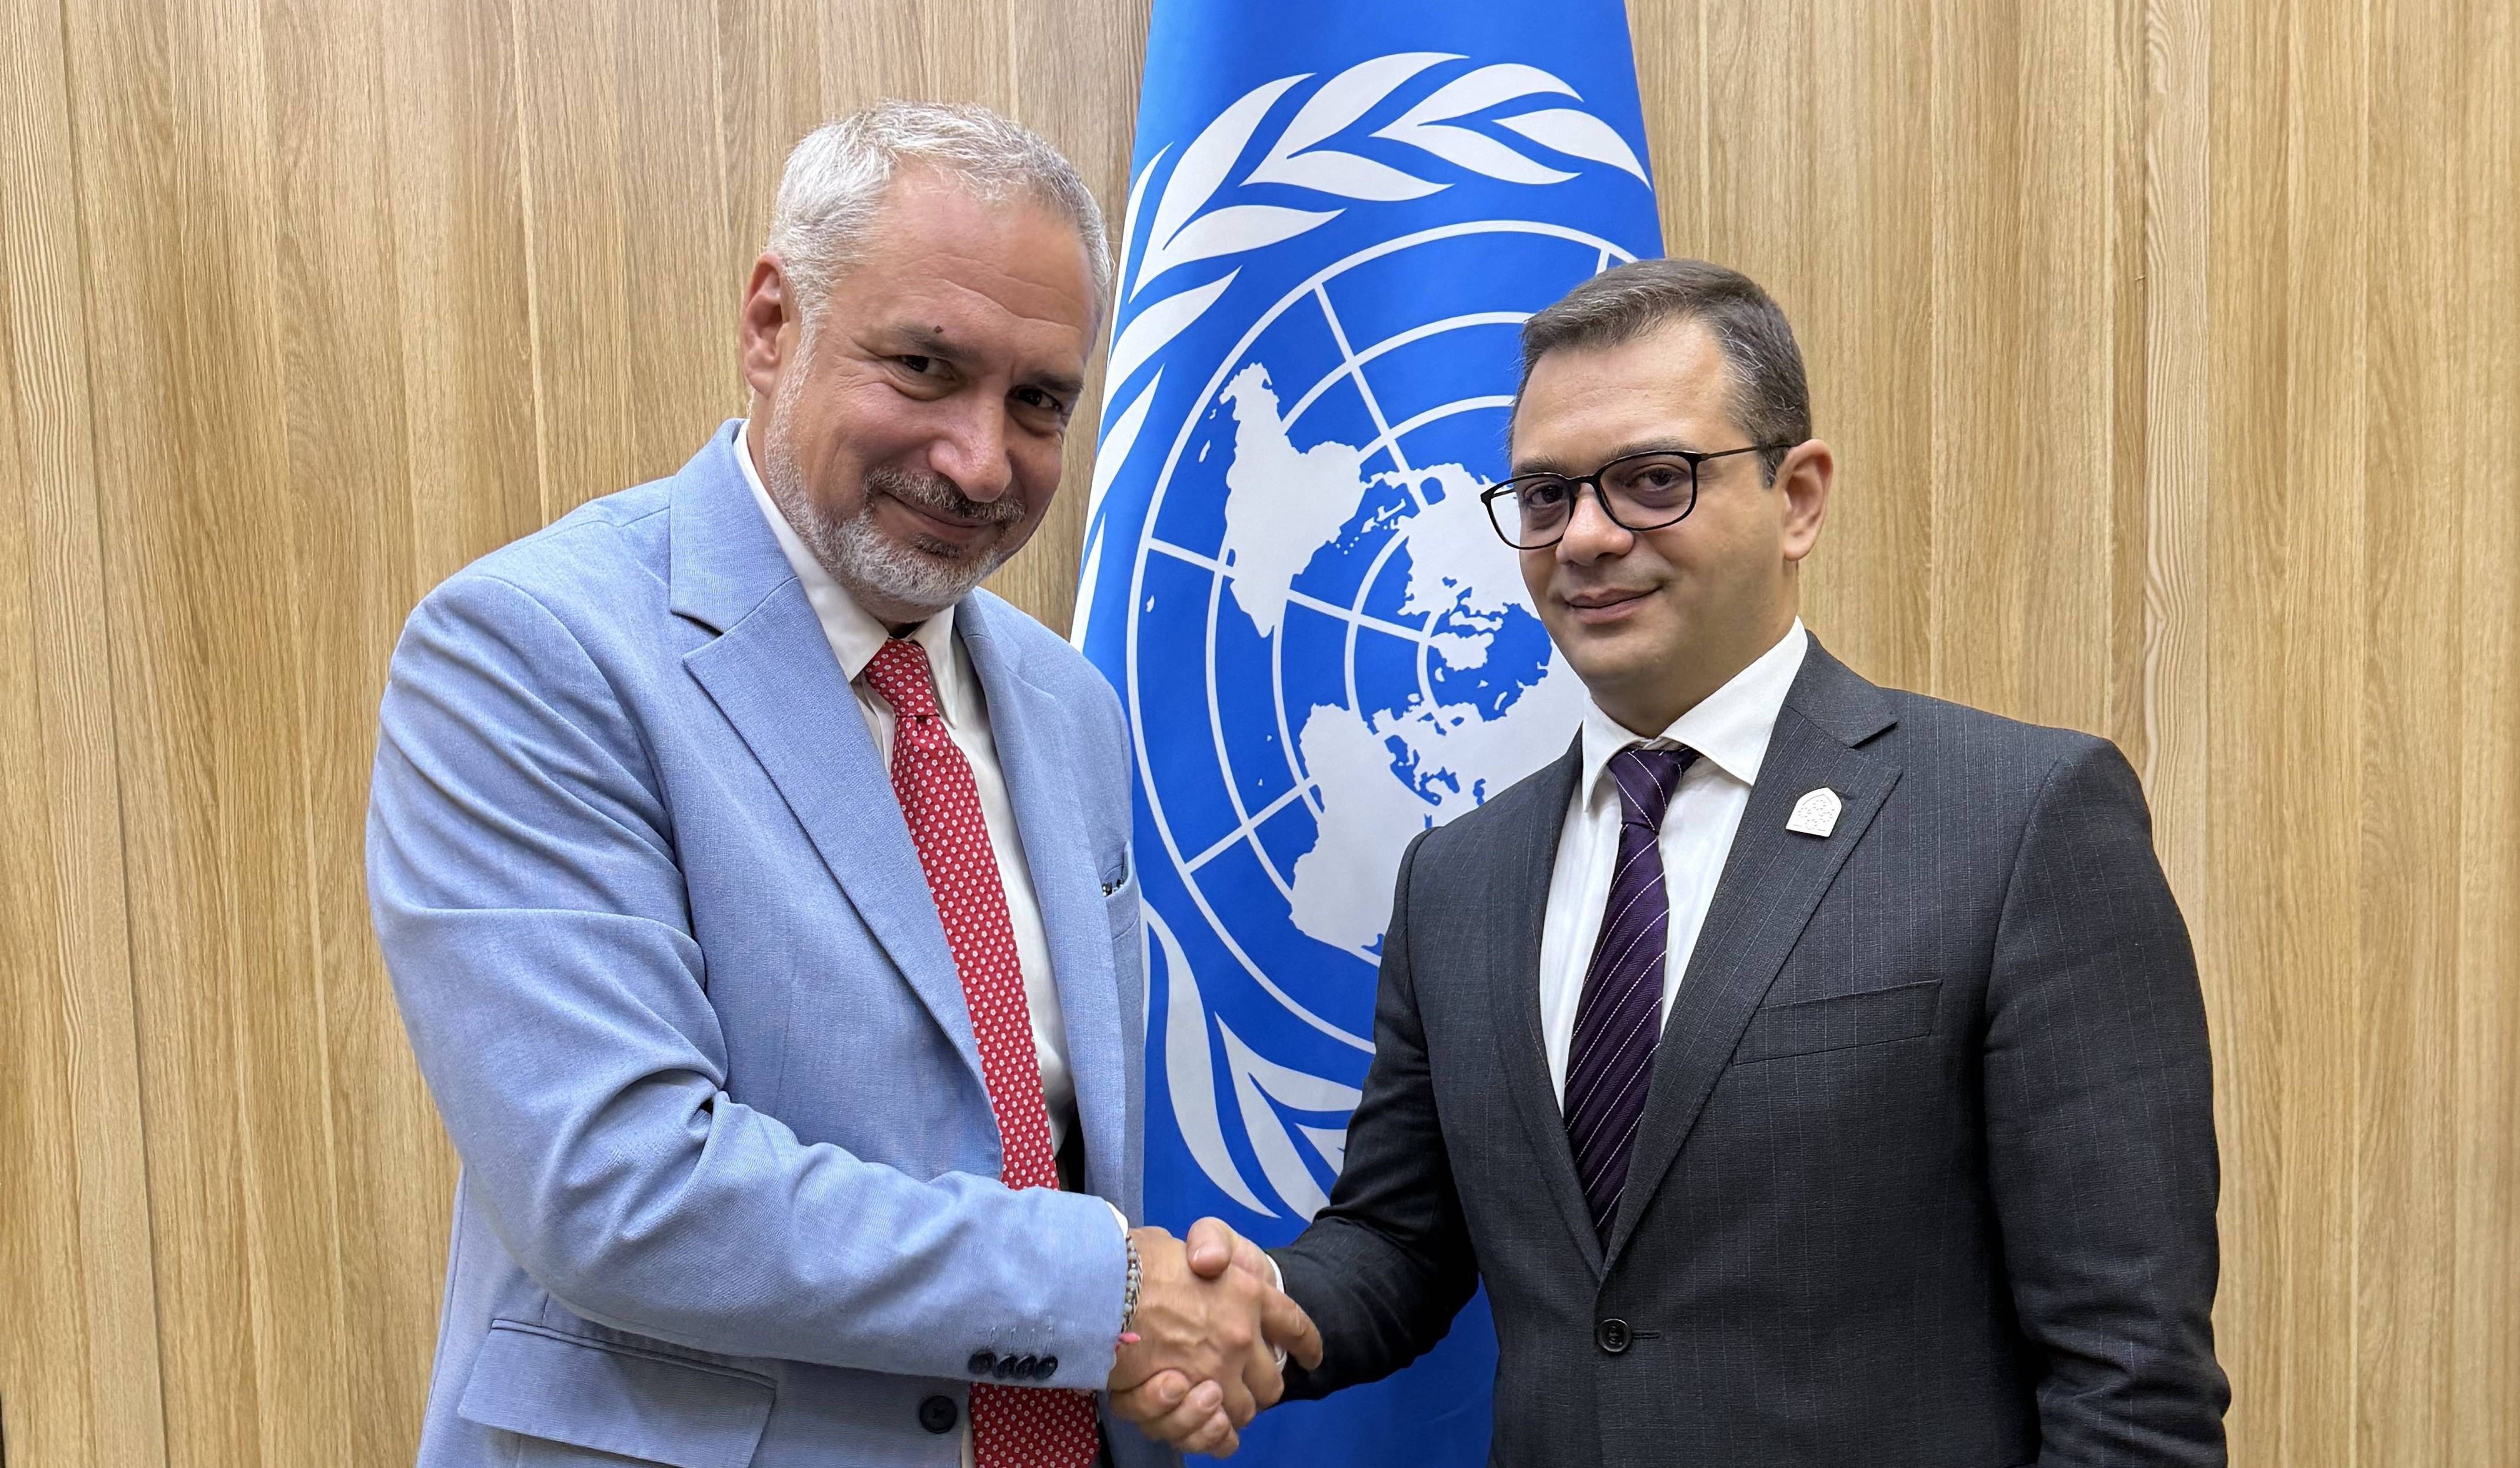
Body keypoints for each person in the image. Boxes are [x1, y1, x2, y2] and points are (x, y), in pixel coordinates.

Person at [1119, 258, 2229, 1464]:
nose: (1586, 537)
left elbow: (2129, 1376)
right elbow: (1399, 1241)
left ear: (1797, 496)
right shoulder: (1458, 880)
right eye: (1544, 495)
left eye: (1653, 480)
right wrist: (1242, 1311)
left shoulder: (2016, 822)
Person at [368, 101, 1317, 1468]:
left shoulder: (1068, 706)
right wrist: (1106, 1293)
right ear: (771, 323)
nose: (982, 459)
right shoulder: (533, 649)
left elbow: (1040, 1146)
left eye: (1039, 401)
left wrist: (1146, 1338)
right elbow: (621, 1188)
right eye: (925, 366)